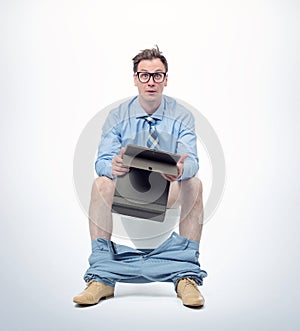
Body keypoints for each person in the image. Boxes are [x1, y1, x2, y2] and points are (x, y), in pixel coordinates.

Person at [73, 46, 207, 308]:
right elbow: (101, 161)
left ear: (166, 79)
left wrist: (180, 170)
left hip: (169, 191)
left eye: (158, 75)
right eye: (144, 75)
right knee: (100, 182)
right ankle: (102, 276)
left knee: (194, 183)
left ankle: (186, 275)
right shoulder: (117, 116)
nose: (151, 82)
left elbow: (192, 160)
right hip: (127, 190)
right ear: (135, 78)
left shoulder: (182, 116)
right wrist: (112, 167)